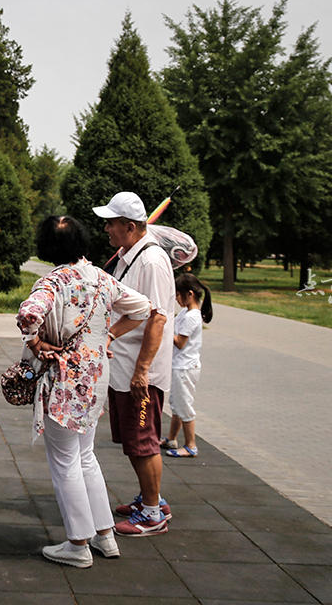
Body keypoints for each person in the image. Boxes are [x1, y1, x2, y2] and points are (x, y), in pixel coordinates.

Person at [17, 216, 156, 568]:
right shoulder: (101, 277)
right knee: (86, 456)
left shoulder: (52, 281)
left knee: (65, 462)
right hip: (95, 378)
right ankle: (104, 535)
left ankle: (78, 544)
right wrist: (108, 335)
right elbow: (142, 307)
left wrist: (35, 342)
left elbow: (29, 313)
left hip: (64, 380)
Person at [93, 191, 175, 537]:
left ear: (129, 226)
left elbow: (157, 319)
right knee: (133, 440)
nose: (107, 229)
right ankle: (149, 496)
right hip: (125, 366)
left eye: (111, 223)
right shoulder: (131, 254)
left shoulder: (151, 262)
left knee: (143, 441)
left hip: (141, 371)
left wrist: (143, 370)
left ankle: (154, 513)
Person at [162, 273, 213, 458]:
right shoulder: (185, 312)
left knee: (184, 406)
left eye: (178, 294)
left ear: (189, 294)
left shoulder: (192, 316)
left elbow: (180, 342)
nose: (176, 298)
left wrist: (163, 329)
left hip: (185, 367)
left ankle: (191, 445)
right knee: (176, 403)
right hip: (179, 365)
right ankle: (171, 438)